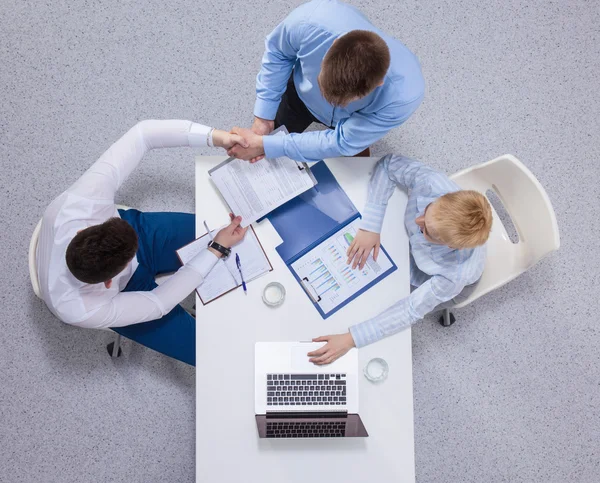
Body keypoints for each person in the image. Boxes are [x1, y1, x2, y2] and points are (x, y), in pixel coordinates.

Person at [37, 120, 248, 366]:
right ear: (108, 282)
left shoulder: (80, 204)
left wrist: (216, 137)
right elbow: (159, 303)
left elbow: (143, 134)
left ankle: (137, 231)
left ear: (88, 227)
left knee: (233, 229)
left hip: (140, 232)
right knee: (210, 355)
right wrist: (215, 249)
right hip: (128, 291)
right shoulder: (80, 308)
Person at [307, 155, 493, 365]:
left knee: (377, 299)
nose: (417, 220)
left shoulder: (454, 275)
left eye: (426, 230)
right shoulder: (434, 183)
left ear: (449, 245)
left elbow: (411, 310)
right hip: (415, 252)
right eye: (428, 210)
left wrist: (351, 339)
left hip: (435, 279)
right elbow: (388, 165)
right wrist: (371, 226)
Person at [228, 0, 425, 163]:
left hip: (352, 119)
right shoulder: (307, 23)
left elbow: (342, 141)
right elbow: (279, 54)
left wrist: (266, 145)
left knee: (355, 166)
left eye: (344, 100)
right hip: (299, 96)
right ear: (333, 45)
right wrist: (263, 118)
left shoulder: (403, 97)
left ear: (379, 82)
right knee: (268, 137)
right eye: (323, 87)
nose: (328, 103)